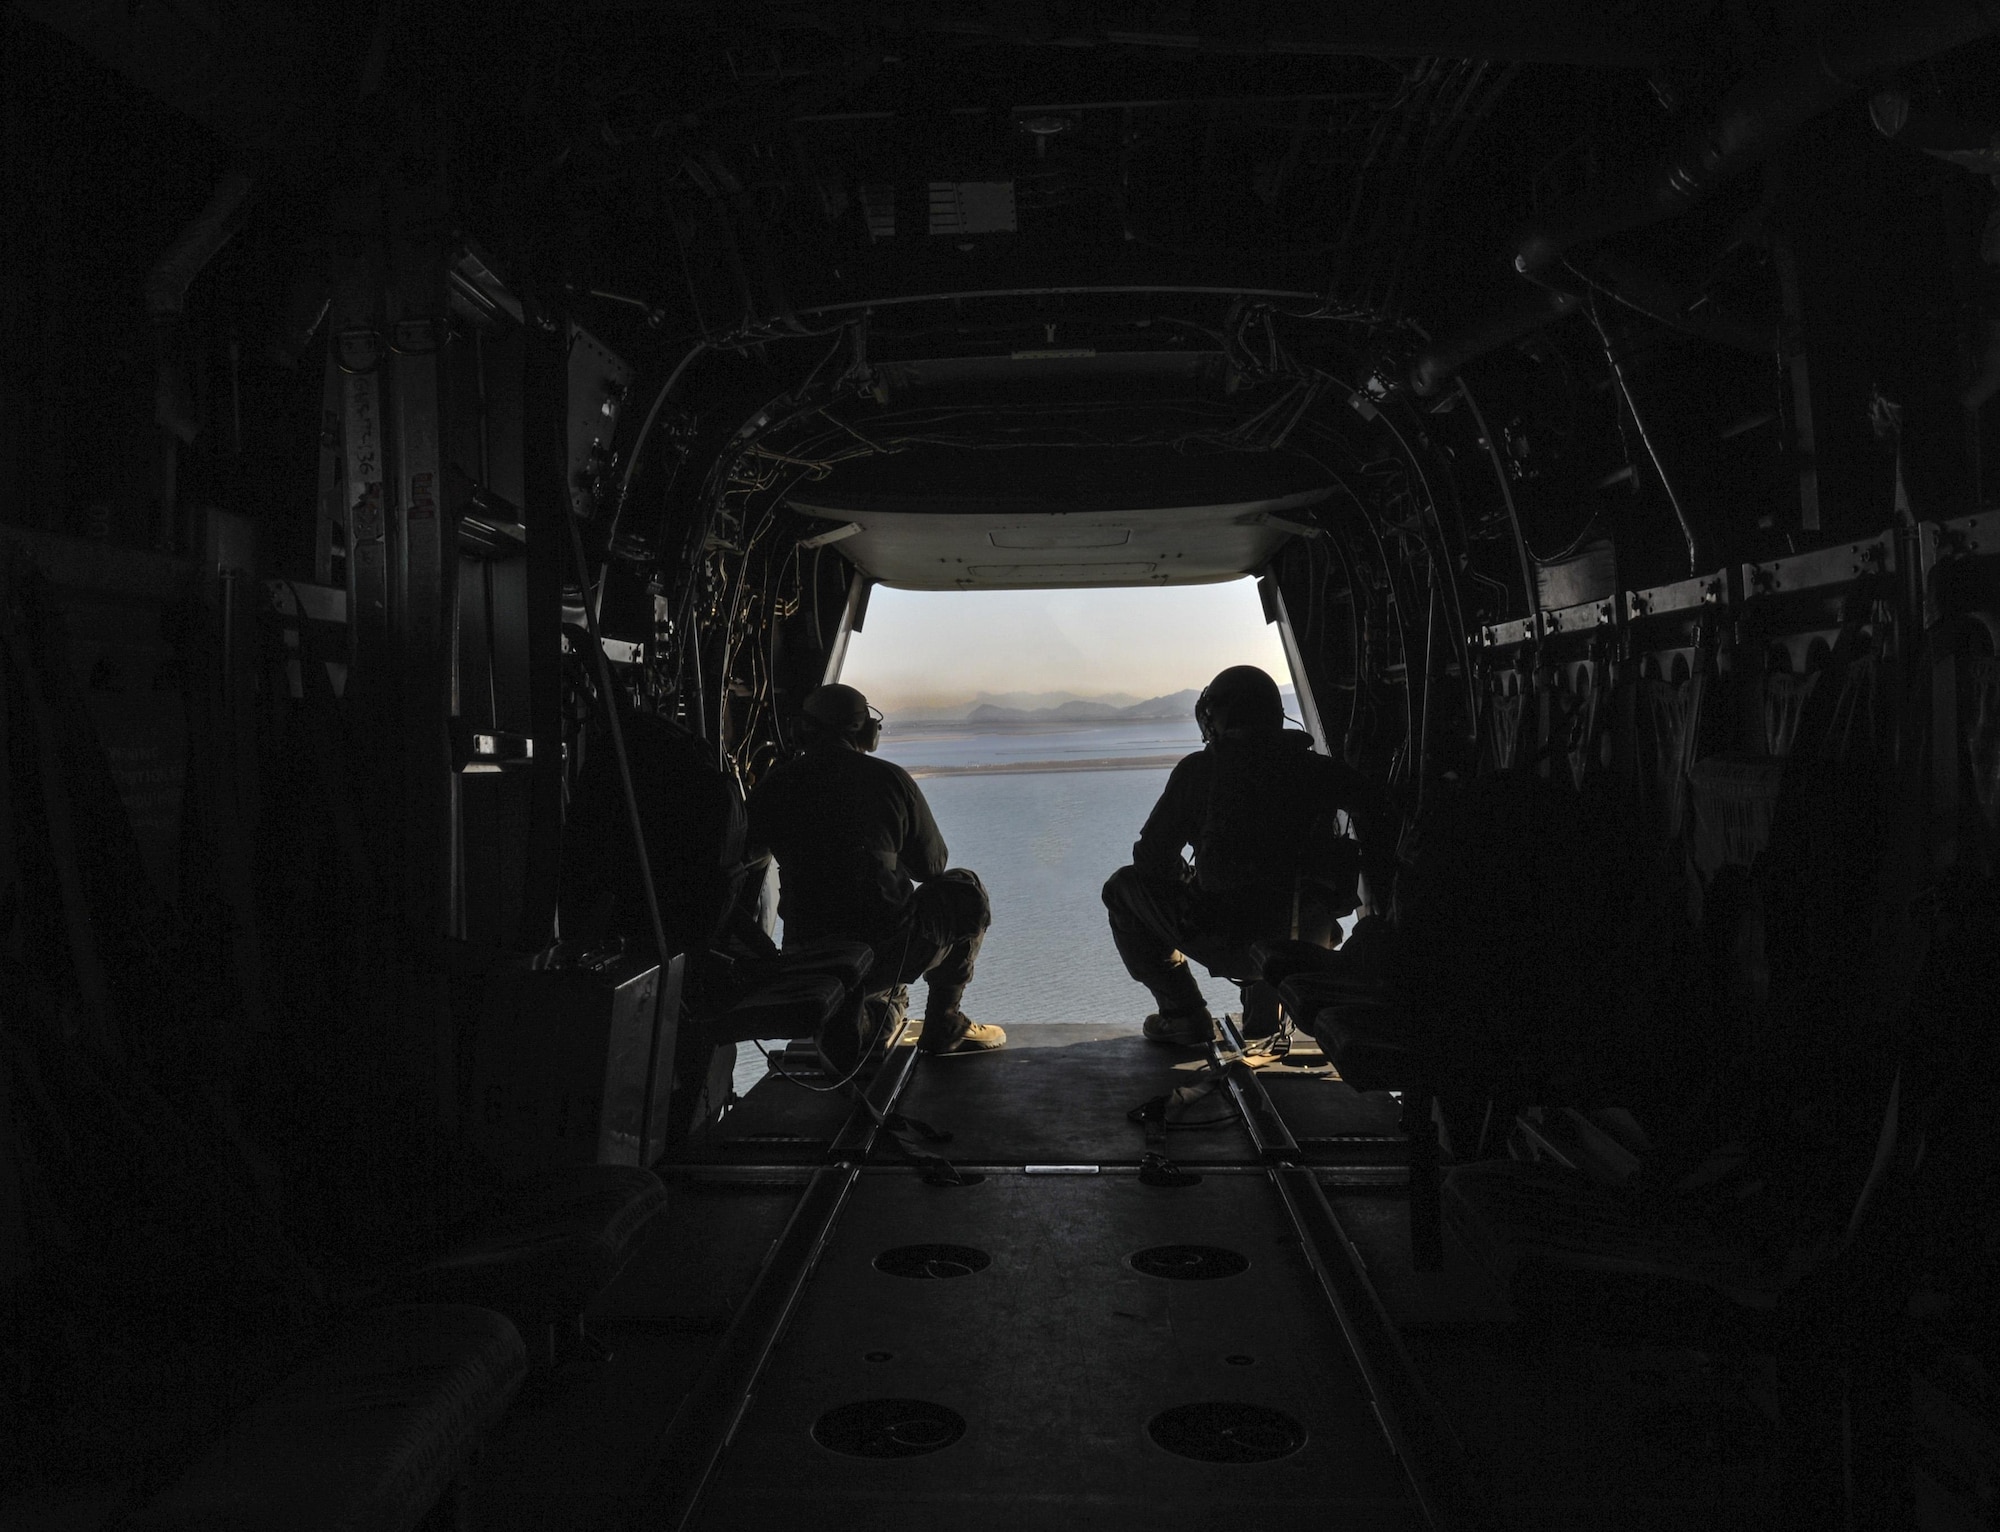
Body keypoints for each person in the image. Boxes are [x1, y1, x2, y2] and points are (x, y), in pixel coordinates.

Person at [1101, 665, 1396, 1045]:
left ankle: (1182, 1014)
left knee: (1121, 888)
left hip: (1233, 944)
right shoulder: (1320, 771)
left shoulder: (1200, 771)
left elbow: (1151, 860)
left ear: (1220, 716)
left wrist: (1193, 876)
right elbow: (1381, 808)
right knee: (1279, 897)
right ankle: (1264, 1020)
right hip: (1311, 942)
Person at [747, 682, 1006, 1058]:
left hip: (807, 955)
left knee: (884, 1007)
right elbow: (933, 867)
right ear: (861, 729)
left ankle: (853, 1020)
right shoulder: (890, 780)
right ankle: (945, 1023)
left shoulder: (776, 786)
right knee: (965, 888)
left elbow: (747, 859)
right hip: (884, 950)